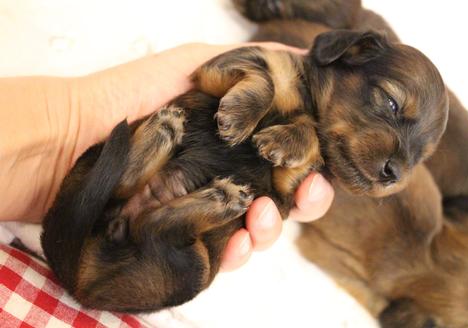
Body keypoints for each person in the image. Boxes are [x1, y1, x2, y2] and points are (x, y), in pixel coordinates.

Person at [0, 42, 334, 271]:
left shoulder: (318, 139)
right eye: (388, 105)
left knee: (184, 262)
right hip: (147, 184)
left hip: (144, 230)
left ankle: (174, 216)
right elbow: (220, 71)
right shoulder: (295, 70)